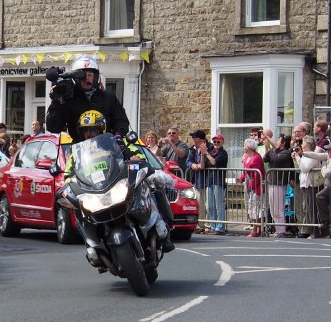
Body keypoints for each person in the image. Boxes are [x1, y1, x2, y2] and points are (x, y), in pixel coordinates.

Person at [64, 110, 174, 256]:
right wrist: (67, 185)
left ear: (101, 129)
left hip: (116, 183)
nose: (89, 134)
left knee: (148, 183)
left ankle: (161, 225)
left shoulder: (114, 143)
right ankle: (92, 246)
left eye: (92, 129)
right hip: (94, 191)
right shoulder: (77, 154)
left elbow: (134, 151)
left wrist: (137, 157)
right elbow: (68, 174)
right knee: (77, 208)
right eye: (85, 130)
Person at [45, 55, 130, 143]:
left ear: (96, 76)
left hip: (106, 148)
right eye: (83, 76)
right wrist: (57, 102)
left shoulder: (108, 98)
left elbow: (121, 121)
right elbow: (53, 127)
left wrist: (118, 135)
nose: (87, 79)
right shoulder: (69, 100)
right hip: (79, 150)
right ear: (76, 78)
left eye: (90, 75)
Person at [265, 134, 296, 237]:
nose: (276, 143)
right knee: (273, 208)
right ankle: (278, 229)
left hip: (279, 183)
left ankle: (281, 230)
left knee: (278, 208)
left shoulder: (286, 153)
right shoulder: (277, 152)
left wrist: (272, 148)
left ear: (282, 143)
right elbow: (265, 158)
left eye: (278, 141)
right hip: (272, 182)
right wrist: (268, 148)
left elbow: (275, 160)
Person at [238, 138, 265, 238]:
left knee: (255, 208)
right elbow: (246, 171)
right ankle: (255, 228)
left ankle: (256, 229)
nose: (244, 147)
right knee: (251, 207)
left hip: (257, 186)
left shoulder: (257, 157)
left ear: (249, 147)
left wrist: (251, 185)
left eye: (245, 145)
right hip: (250, 185)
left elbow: (257, 174)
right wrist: (241, 179)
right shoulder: (247, 157)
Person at [204, 134, 229, 235]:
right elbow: (205, 163)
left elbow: (214, 162)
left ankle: (220, 226)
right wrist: (205, 154)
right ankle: (213, 225)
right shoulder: (211, 152)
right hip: (210, 180)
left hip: (218, 181)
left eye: (218, 142)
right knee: (210, 205)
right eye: (214, 142)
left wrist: (206, 153)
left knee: (219, 205)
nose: (216, 144)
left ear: (222, 142)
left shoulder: (223, 153)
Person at [186, 130, 210, 231]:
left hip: (207, 179)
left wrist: (201, 165)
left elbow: (209, 162)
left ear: (199, 139)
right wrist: (192, 165)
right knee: (198, 203)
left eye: (194, 138)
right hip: (196, 179)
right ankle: (200, 225)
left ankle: (208, 225)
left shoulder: (210, 147)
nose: (193, 140)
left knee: (208, 205)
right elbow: (188, 161)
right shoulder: (192, 149)